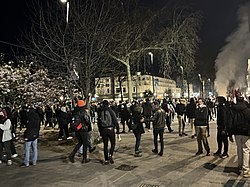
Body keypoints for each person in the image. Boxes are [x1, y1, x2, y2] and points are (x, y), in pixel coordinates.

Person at [97, 100, 119, 165]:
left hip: (103, 129)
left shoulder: (100, 111)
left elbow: (99, 122)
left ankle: (106, 159)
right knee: (113, 143)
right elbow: (115, 120)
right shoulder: (110, 111)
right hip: (110, 129)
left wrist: (100, 131)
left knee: (105, 145)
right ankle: (110, 155)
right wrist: (117, 129)